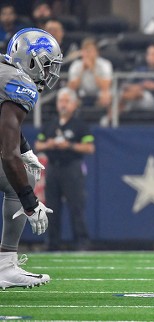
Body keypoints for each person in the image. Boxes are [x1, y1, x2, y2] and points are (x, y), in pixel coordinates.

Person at [0, 27, 62, 289]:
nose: (49, 74)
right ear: (30, 61)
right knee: (21, 179)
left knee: (23, 172)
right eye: (47, 66)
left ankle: (5, 264)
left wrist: (26, 150)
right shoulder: (19, 84)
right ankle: (4, 265)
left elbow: (6, 127)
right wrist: (30, 200)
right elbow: (7, 152)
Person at [35, 87, 95, 251]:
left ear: (74, 104)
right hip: (53, 167)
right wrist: (50, 144)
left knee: (76, 206)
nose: (63, 105)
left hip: (72, 167)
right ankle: (52, 243)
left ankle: (81, 242)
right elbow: (38, 144)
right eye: (61, 101)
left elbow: (89, 148)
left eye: (67, 101)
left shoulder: (79, 125)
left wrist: (69, 145)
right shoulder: (51, 124)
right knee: (52, 207)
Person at [118, 42, 154, 124]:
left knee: (135, 93)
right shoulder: (140, 70)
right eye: (149, 54)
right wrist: (141, 86)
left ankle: (110, 118)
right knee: (123, 93)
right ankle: (114, 120)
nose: (151, 57)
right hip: (137, 97)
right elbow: (125, 83)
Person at [67, 37, 113, 124]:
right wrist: (82, 71)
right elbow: (72, 87)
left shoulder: (105, 64)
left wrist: (92, 69)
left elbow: (105, 86)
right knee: (68, 94)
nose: (87, 54)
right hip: (82, 92)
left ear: (96, 52)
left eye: (90, 51)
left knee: (106, 94)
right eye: (85, 51)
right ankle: (71, 121)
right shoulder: (76, 65)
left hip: (99, 92)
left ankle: (105, 119)